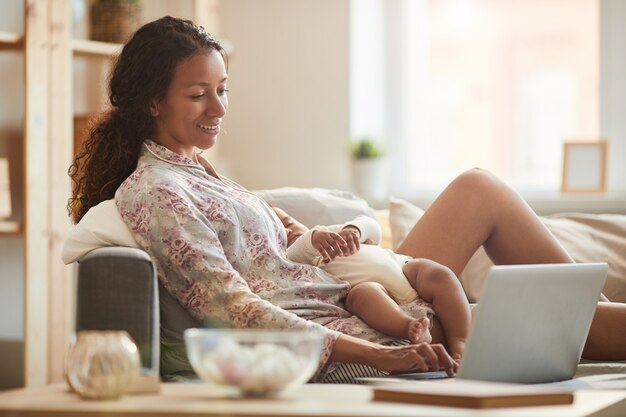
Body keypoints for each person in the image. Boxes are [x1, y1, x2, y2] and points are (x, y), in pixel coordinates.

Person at [67, 16, 626, 383]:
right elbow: (227, 308)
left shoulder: (198, 169)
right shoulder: (156, 192)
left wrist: (330, 236)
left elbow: (283, 238)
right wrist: (378, 353)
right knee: (533, 312)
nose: (218, 108)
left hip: (352, 293)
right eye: (197, 94)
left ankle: (570, 298)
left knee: (485, 198)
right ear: (152, 103)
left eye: (223, 90)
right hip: (349, 321)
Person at [271, 206, 470, 359]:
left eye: (288, 223)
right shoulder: (291, 259)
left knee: (440, 275)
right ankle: (408, 327)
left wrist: (353, 230)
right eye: (277, 232)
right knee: (362, 295)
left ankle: (461, 340)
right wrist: (311, 238)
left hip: (405, 269)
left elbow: (371, 226)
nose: (287, 232)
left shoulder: (334, 231)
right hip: (377, 291)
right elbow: (297, 252)